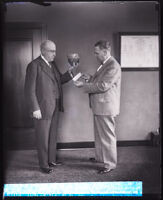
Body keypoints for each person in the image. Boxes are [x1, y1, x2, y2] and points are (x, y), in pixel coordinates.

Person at [25, 40, 76, 174]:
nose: (55, 54)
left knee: (52, 135)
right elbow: (29, 90)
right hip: (42, 108)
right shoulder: (34, 65)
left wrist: (69, 73)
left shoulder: (52, 64)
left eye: (55, 51)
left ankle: (51, 160)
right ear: (43, 51)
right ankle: (43, 164)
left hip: (56, 105)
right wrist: (35, 108)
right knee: (42, 136)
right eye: (52, 51)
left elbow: (59, 80)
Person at [74, 40, 121, 174]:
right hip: (100, 105)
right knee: (100, 135)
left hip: (106, 106)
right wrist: (90, 78)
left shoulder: (113, 66)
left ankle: (110, 164)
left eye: (97, 53)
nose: (95, 55)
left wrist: (83, 85)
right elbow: (100, 81)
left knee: (107, 136)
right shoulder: (104, 64)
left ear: (105, 52)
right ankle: (101, 158)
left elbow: (103, 86)